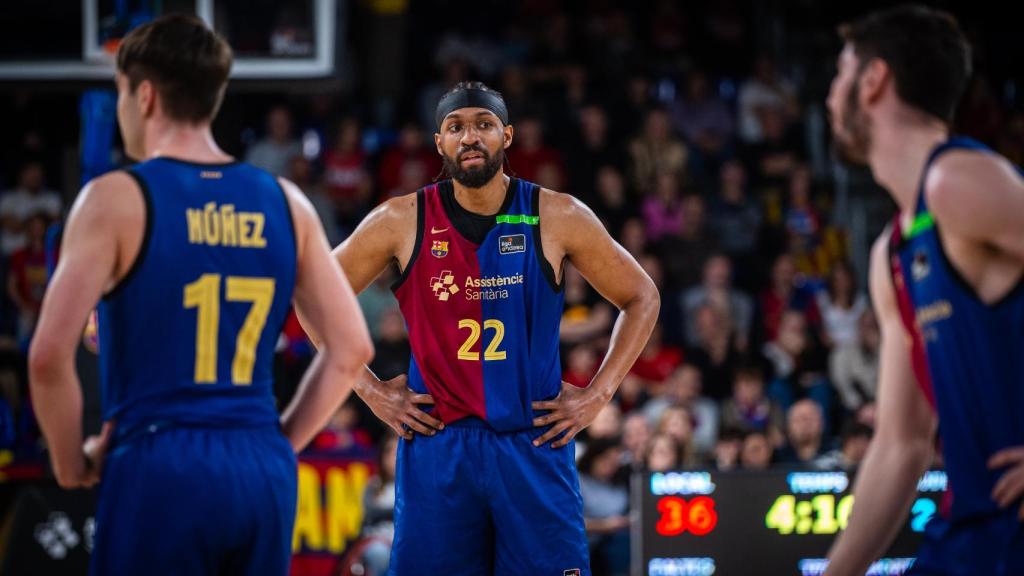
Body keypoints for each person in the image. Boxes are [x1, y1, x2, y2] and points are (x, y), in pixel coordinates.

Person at [27, 15, 373, 576]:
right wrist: (280, 442)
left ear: (142, 96)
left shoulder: (115, 198)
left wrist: (72, 464)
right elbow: (352, 349)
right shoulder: (289, 202)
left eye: (118, 93)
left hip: (159, 459)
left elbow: (47, 357)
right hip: (259, 466)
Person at [306, 81, 660, 574]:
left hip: (532, 443)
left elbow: (642, 296)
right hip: (440, 447)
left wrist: (598, 395)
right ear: (439, 143)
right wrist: (368, 392)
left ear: (507, 136)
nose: (470, 137)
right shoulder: (400, 219)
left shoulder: (557, 214)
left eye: (483, 125)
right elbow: (310, 294)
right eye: (455, 127)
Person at [824, 6, 1024, 575]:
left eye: (839, 76)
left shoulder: (957, 182)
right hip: (975, 535)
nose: (828, 96)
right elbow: (901, 443)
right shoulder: (890, 251)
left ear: (872, 81)